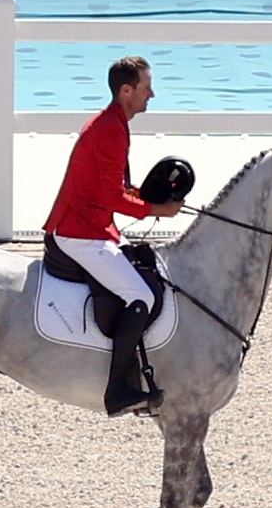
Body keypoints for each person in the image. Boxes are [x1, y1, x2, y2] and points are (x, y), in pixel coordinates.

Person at [42, 53, 189, 418]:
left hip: (95, 225)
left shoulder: (113, 123)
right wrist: (156, 210)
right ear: (126, 90)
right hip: (79, 232)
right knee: (140, 295)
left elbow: (112, 187)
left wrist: (142, 194)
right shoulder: (109, 130)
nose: (151, 95)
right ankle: (118, 390)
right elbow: (110, 197)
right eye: (145, 88)